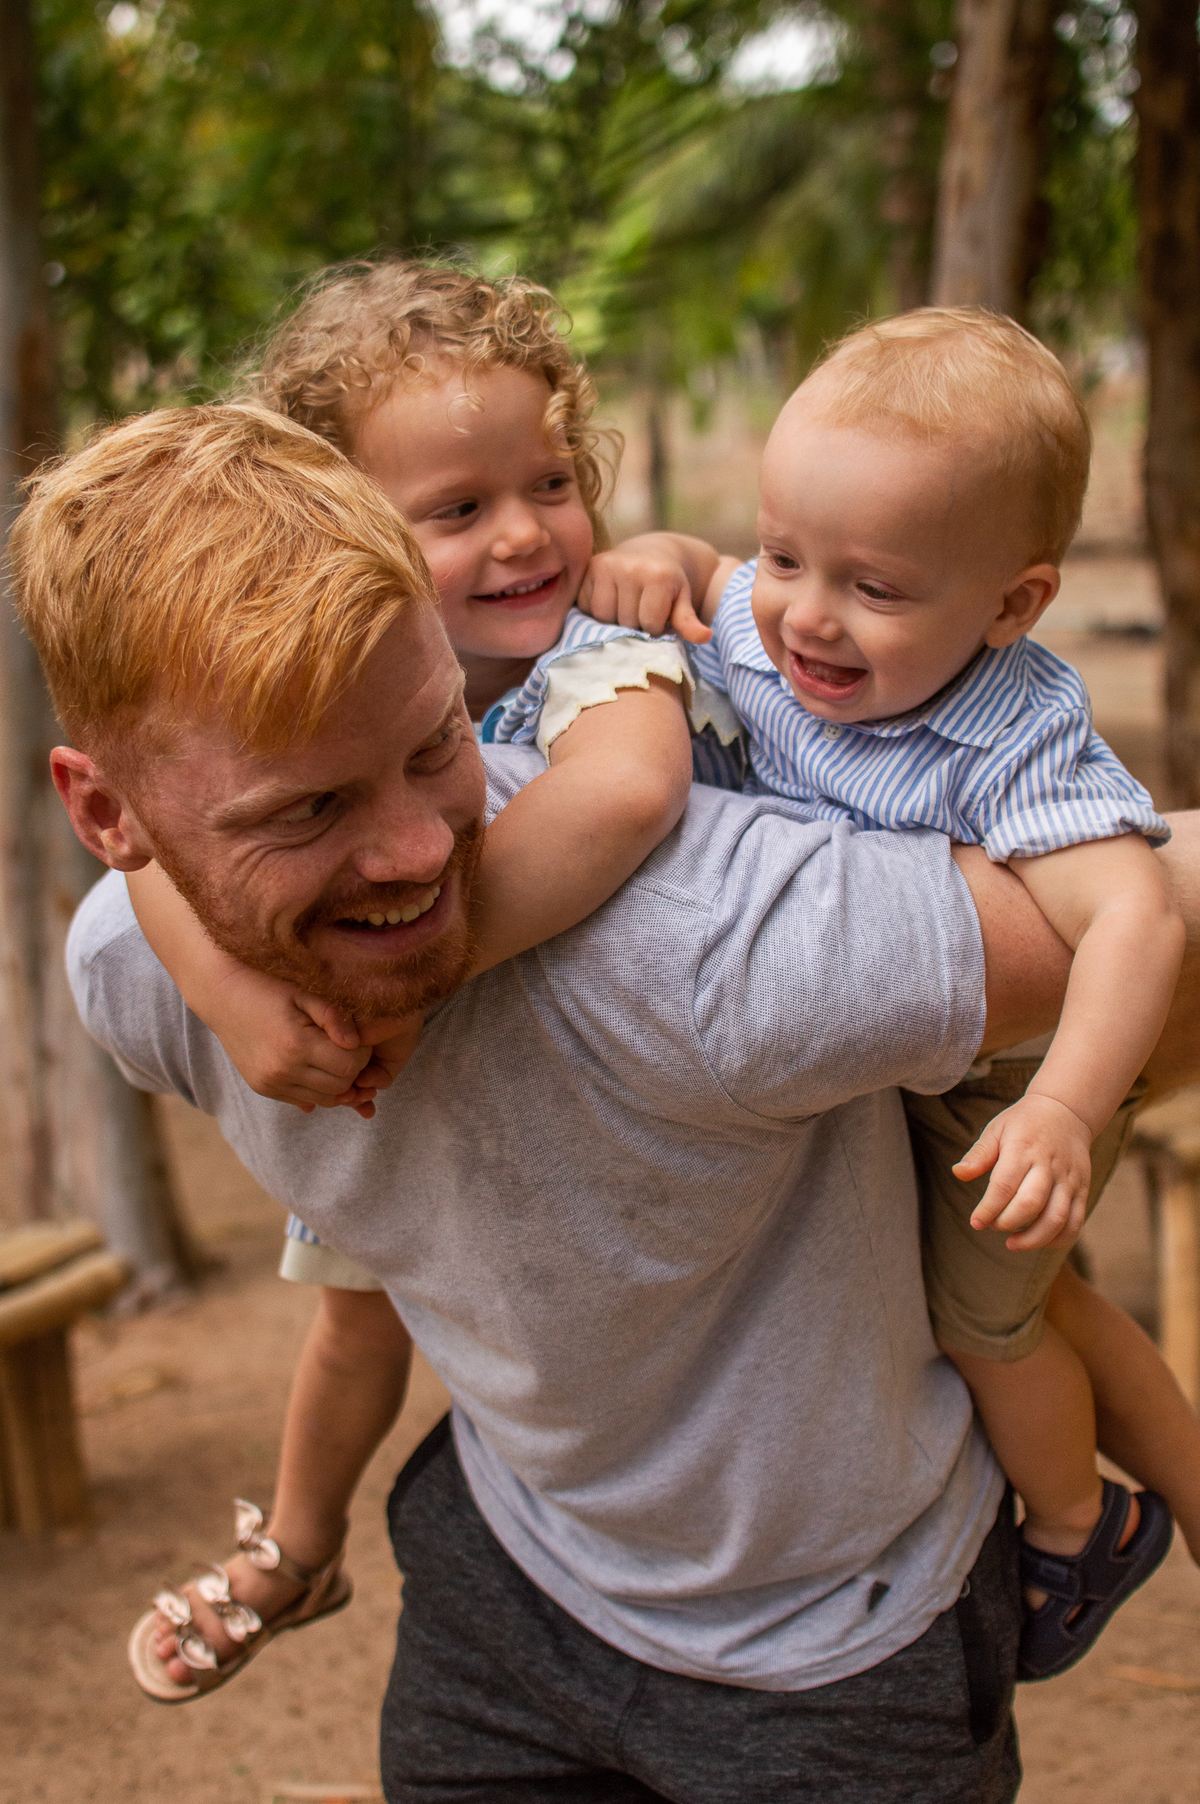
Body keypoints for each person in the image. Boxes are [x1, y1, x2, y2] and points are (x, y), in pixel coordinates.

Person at [20, 402, 1200, 1802]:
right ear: (110, 820)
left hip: (837, 1648)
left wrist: (1072, 1091)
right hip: (506, 1581)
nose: (415, 855)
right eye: (304, 812)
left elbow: (1159, 901)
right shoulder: (137, 975)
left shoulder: (703, 948)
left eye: (431, 749)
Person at [106, 262, 735, 1697]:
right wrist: (234, 999)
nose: (526, 536)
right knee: (353, 1309)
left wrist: (393, 988)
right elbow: (146, 843)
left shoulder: (602, 641)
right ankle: (304, 1545)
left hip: (584, 1073)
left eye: (553, 482)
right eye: (457, 512)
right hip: (405, 1077)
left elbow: (624, 802)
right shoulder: (316, 674)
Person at [580, 307, 1194, 1675]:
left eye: (875, 587)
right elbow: (705, 576)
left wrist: (1067, 1114)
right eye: (787, 549)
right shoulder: (764, 610)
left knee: (979, 1320)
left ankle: (1080, 1525)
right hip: (866, 1048)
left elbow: (1139, 920)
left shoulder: (1010, 726)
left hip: (1002, 1084)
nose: (802, 611)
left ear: (1013, 605)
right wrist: (652, 564)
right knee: (1052, 1304)